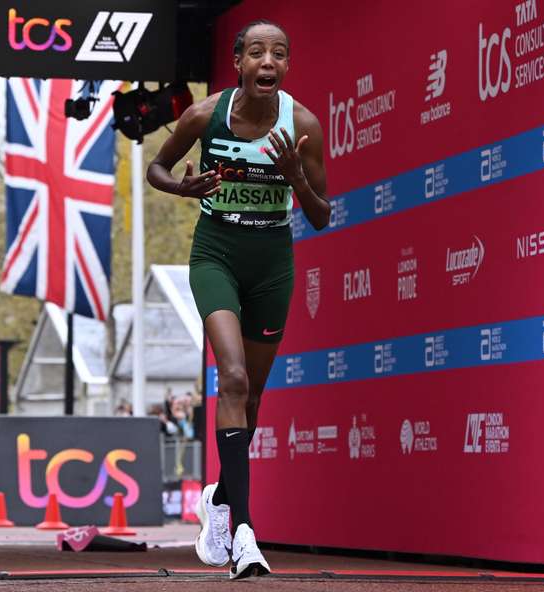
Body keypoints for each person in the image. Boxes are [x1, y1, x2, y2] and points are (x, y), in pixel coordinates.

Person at [147, 19, 329, 580]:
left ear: (286, 67)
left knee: (250, 403)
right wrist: (184, 187)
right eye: (256, 52)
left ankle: (218, 499)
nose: (267, 62)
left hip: (272, 261)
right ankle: (242, 534)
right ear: (238, 62)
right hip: (217, 253)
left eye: (278, 53)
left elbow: (322, 216)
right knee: (232, 381)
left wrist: (297, 178)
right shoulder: (205, 115)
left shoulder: (303, 123)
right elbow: (157, 166)